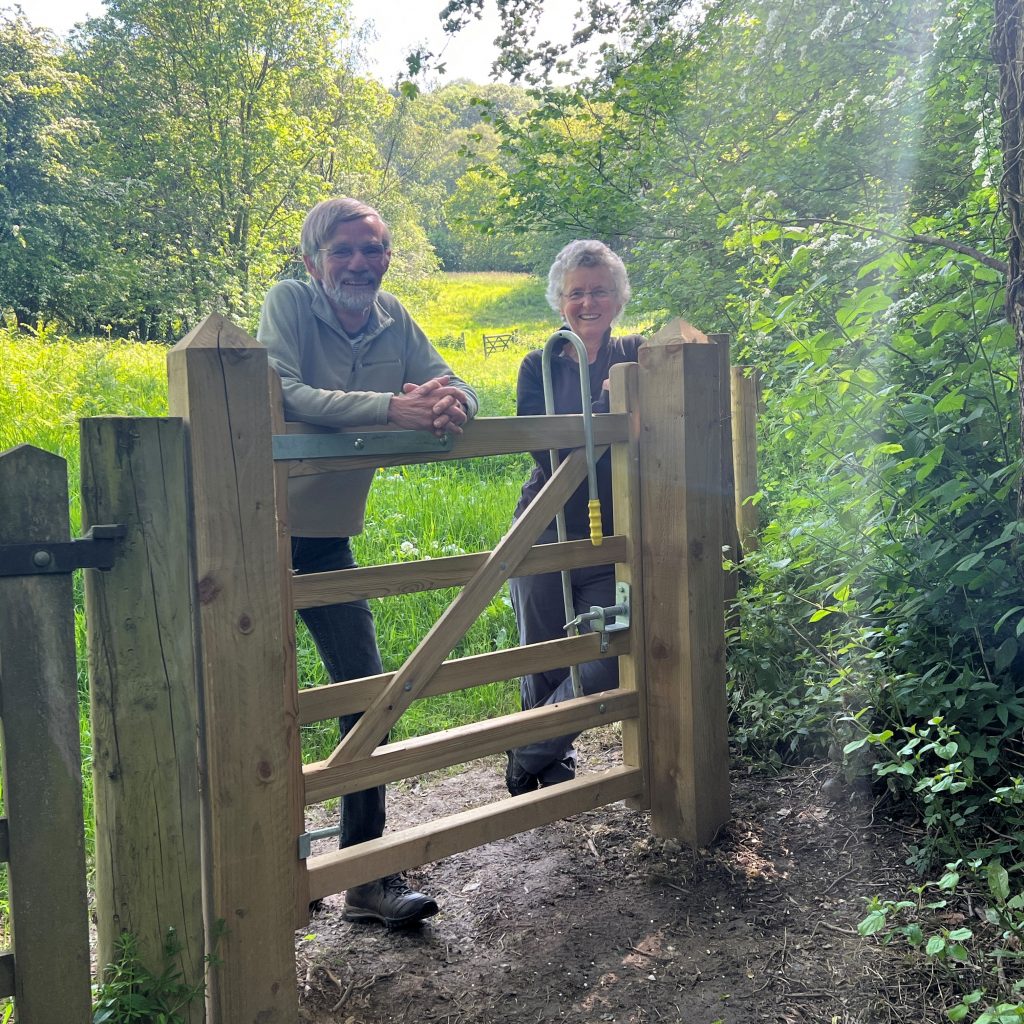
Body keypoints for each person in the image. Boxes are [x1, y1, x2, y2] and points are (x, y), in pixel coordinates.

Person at [258, 196, 478, 927]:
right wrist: (391, 408)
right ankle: (269, 870)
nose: (359, 263)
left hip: (325, 540)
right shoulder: (287, 302)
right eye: (343, 250)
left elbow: (452, 382)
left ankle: (365, 873)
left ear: (387, 255)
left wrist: (450, 406)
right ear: (313, 259)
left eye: (372, 249)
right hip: (249, 534)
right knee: (256, 708)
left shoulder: (394, 317)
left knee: (365, 694)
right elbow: (282, 390)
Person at [505, 240, 643, 796]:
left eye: (599, 290)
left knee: (608, 650)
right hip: (544, 527)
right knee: (542, 653)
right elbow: (546, 454)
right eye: (577, 292)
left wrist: (631, 392)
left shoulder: (635, 354)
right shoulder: (536, 364)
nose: (588, 302)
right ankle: (551, 759)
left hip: (616, 534)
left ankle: (531, 750)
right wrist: (601, 408)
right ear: (559, 300)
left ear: (619, 298)